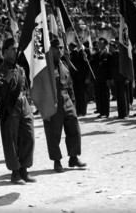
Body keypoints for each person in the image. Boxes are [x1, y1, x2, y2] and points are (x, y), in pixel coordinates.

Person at [0, 38, 36, 185]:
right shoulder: (1, 70)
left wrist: (30, 104)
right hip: (10, 108)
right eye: (13, 49)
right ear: (5, 51)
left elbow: (25, 88)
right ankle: (15, 172)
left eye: (17, 48)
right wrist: (7, 79)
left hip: (24, 105)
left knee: (29, 137)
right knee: (11, 141)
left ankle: (24, 168)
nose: (16, 51)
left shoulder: (20, 69)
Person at [45, 38, 86, 173]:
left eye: (62, 48)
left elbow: (70, 86)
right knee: (54, 134)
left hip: (67, 101)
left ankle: (73, 157)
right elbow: (42, 89)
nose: (60, 50)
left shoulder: (64, 65)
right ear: (51, 50)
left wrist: (72, 104)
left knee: (74, 129)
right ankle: (57, 161)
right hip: (54, 102)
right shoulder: (46, 68)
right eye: (57, 48)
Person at [93, 37, 112, 118]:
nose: (99, 45)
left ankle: (106, 112)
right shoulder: (97, 54)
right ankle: (101, 112)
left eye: (101, 43)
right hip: (98, 78)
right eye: (99, 43)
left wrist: (110, 78)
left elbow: (110, 68)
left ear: (105, 44)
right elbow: (92, 63)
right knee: (99, 95)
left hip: (105, 78)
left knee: (105, 95)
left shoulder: (108, 54)